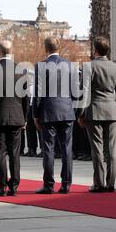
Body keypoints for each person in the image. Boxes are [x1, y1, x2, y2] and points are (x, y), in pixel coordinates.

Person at [0, 41, 27, 196]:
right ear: (11, 51)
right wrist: (24, 117)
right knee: (14, 153)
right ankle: (14, 186)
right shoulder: (21, 70)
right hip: (16, 116)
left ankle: (1, 186)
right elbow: (25, 97)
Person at [78, 37, 116, 193]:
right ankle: (111, 183)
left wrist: (80, 112)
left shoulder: (89, 66)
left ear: (94, 50)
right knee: (111, 148)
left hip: (94, 110)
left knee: (97, 149)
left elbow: (85, 92)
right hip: (112, 111)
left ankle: (99, 183)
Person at [33, 38, 77, 194]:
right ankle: (66, 184)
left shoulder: (40, 66)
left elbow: (37, 93)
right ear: (59, 47)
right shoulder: (70, 66)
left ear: (46, 48)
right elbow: (75, 93)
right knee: (67, 149)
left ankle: (49, 184)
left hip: (48, 111)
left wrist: (35, 115)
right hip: (66, 110)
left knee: (48, 150)